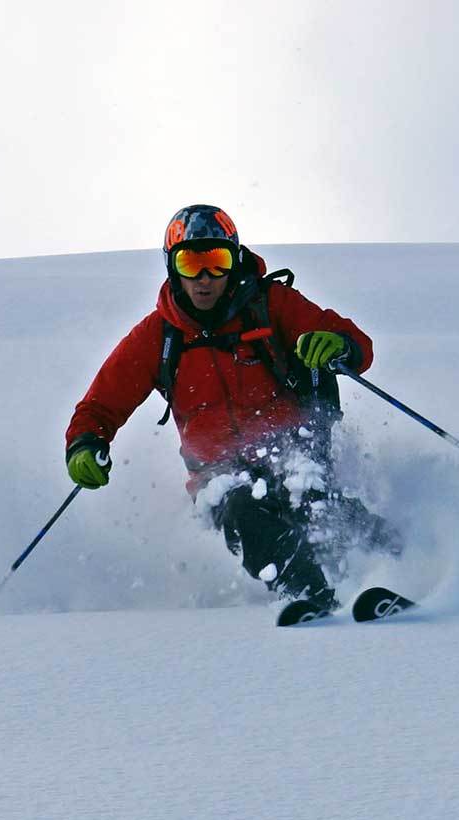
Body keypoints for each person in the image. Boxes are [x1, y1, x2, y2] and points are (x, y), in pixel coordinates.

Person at [64, 204, 392, 624]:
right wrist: (85, 446)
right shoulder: (158, 336)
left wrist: (337, 345)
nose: (204, 278)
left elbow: (355, 343)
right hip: (217, 471)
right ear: (172, 267)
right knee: (237, 507)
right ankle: (310, 595)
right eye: (191, 262)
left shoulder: (271, 304)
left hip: (292, 447)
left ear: (233, 260)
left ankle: (404, 564)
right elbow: (99, 405)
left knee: (309, 497)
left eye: (216, 262)